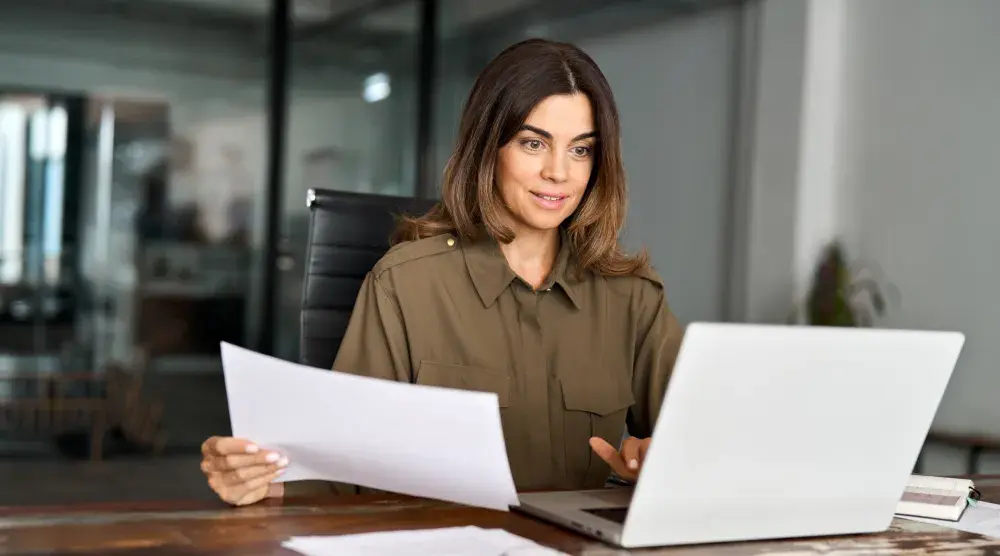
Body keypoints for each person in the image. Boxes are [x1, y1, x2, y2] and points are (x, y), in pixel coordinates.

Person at [201, 38, 684, 507]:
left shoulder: (632, 297)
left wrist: (659, 462)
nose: (559, 172)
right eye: (533, 143)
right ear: (487, 148)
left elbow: (696, 449)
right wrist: (257, 480)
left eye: (581, 150)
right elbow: (340, 472)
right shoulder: (406, 285)